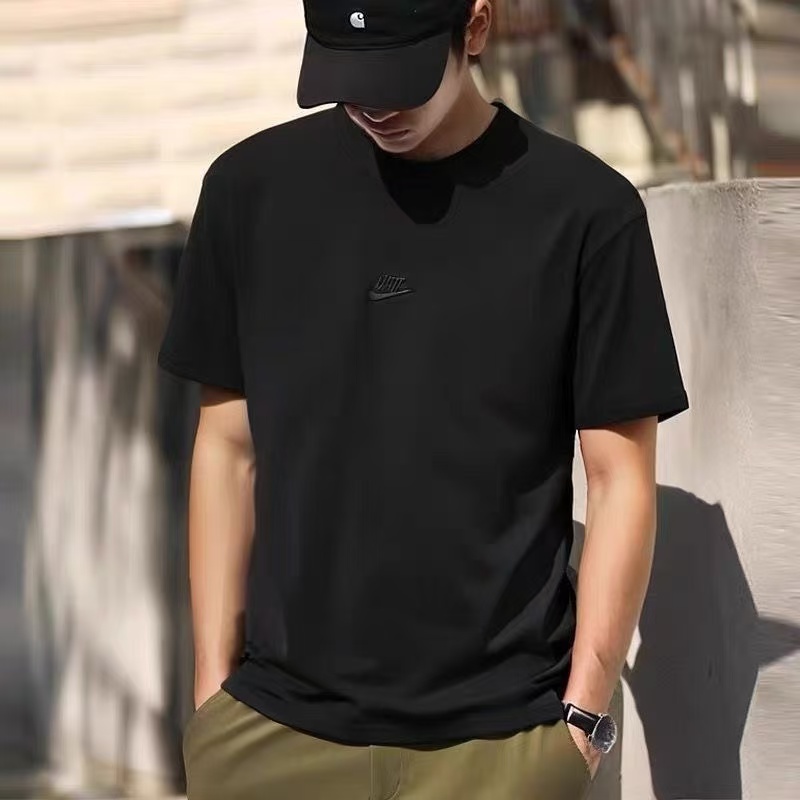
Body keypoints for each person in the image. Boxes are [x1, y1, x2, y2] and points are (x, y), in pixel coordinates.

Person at [157, 1, 690, 798]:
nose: (374, 104)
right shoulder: (248, 194)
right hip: (272, 739)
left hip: (501, 747)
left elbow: (619, 479)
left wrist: (582, 717)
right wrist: (212, 695)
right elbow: (227, 450)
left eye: (399, 76)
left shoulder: (587, 212)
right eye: (346, 76)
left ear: (474, 28)